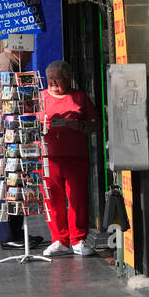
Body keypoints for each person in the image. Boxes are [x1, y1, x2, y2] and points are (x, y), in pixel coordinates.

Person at [0, 43, 44, 251]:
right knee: (10, 182)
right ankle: (9, 235)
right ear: (20, 49)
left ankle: (17, 232)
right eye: (30, 52)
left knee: (16, 182)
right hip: (4, 127)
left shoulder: (5, 61)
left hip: (4, 126)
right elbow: (0, 102)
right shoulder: (6, 64)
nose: (30, 57)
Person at [40, 60, 98, 257]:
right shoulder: (40, 98)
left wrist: (75, 125)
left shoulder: (79, 97)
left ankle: (78, 239)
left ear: (68, 79)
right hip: (49, 158)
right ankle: (59, 239)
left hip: (75, 157)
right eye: (50, 79)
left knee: (77, 199)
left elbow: (95, 124)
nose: (53, 82)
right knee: (52, 200)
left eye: (58, 78)